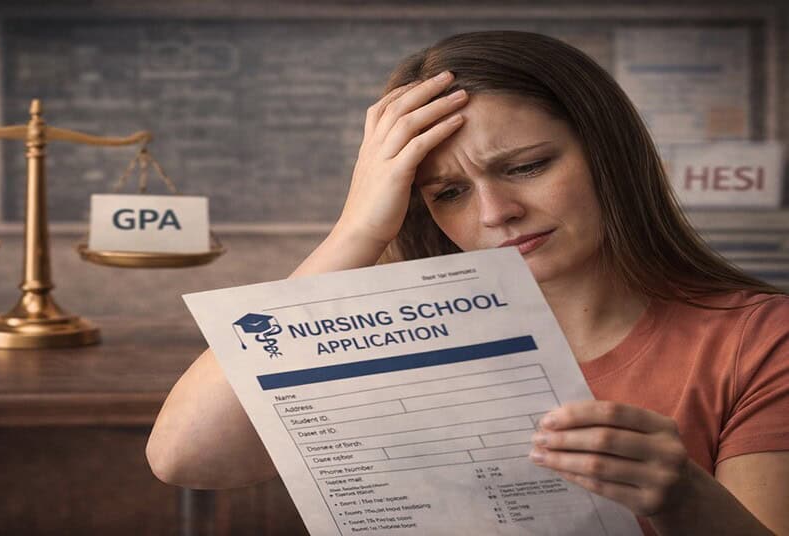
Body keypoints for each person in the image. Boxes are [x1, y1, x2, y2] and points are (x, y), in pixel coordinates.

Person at [147, 31, 789, 535]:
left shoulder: (757, 339)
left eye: (527, 166)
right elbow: (185, 459)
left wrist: (683, 498)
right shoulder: (393, 333)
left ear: (608, 153)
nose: (494, 212)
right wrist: (356, 230)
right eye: (449, 193)